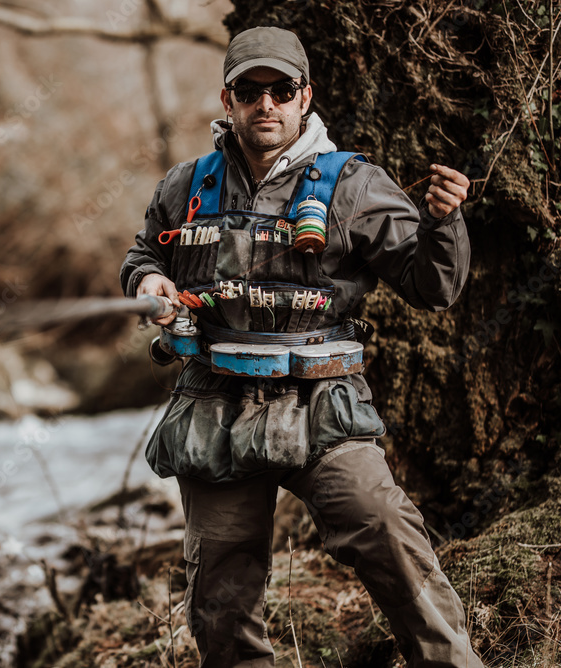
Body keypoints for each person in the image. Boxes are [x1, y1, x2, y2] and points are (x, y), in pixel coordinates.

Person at [119, 26, 483, 667]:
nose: (267, 104)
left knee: (385, 530)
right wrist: (149, 278)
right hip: (214, 407)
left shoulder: (355, 186)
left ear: (305, 96)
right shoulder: (187, 185)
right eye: (250, 91)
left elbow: (433, 287)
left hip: (323, 402)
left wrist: (443, 223)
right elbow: (146, 251)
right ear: (227, 99)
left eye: (281, 90)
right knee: (221, 597)